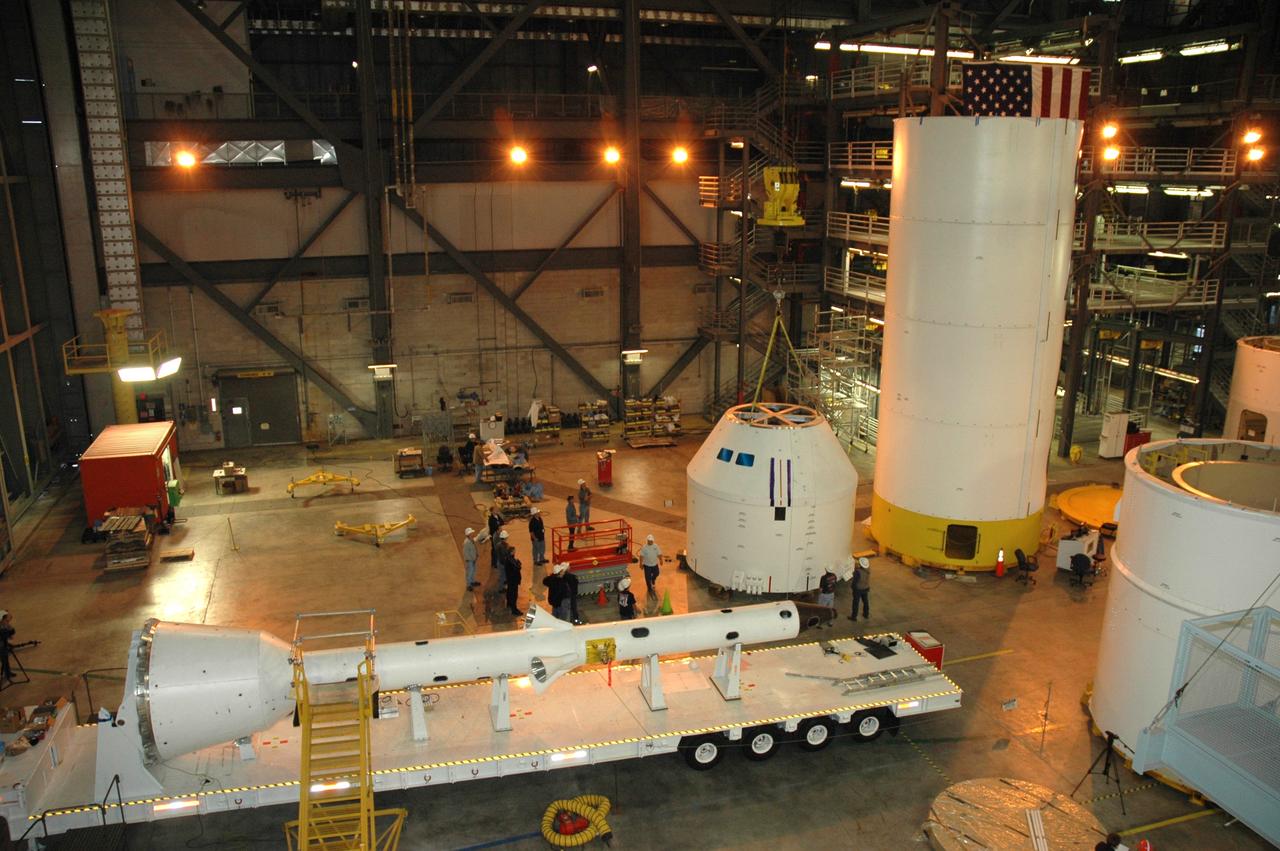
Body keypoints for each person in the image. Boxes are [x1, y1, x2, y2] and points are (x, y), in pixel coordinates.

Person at [503, 546, 523, 617]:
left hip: (510, 579)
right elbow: (515, 569)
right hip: (513, 580)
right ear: (511, 552)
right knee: (514, 595)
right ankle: (514, 610)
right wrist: (519, 565)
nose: (515, 552)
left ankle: (509, 604)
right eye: (514, 551)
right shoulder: (510, 560)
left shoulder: (507, 558)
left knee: (509, 592)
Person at [849, 557, 871, 622]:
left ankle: (854, 616)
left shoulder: (858, 572)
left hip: (858, 589)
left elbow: (854, 582)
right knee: (865, 602)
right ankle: (866, 614)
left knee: (856, 603)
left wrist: (852, 587)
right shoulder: (868, 569)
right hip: (865, 588)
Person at [487, 506, 505, 573]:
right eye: (495, 509)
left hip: (499, 535)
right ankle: (494, 563)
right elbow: (494, 527)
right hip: (494, 536)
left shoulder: (497, 516)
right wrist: (498, 527)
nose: (497, 510)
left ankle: (498, 561)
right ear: (492, 511)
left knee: (499, 548)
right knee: (494, 549)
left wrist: (499, 525)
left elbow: (502, 522)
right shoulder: (491, 519)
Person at [0, 611, 13, 683]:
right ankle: (7, 673)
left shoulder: (4, 624)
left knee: (6, 659)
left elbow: (12, 631)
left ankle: (8, 673)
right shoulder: (1, 625)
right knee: (4, 659)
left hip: (3, 645)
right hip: (1, 646)